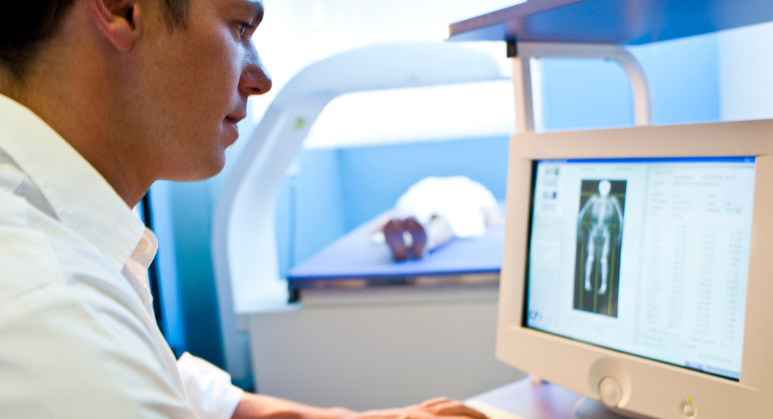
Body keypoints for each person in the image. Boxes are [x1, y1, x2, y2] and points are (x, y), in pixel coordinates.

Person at [0, 1, 492, 419]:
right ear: (125, 10)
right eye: (240, 27)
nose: (261, 79)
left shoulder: (70, 247)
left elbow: (175, 385)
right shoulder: (50, 306)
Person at [376, 177, 504, 262]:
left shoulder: (424, 185)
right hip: (451, 201)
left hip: (419, 199)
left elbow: (400, 209)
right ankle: (426, 241)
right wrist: (494, 216)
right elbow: (486, 207)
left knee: (413, 217)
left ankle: (405, 240)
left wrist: (384, 223)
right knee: (448, 220)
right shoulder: (468, 187)